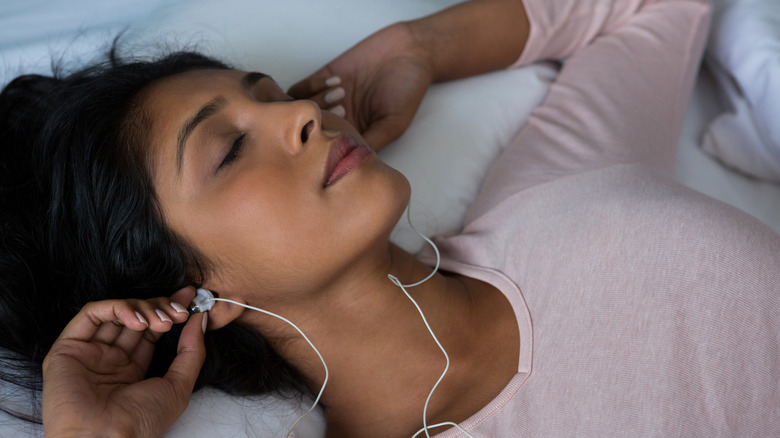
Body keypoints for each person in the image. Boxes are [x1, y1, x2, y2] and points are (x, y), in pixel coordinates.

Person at [1, 0, 779, 437]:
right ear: (186, 291)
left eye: (274, 95)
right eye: (230, 149)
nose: (303, 115)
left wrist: (419, 46)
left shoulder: (554, 188)